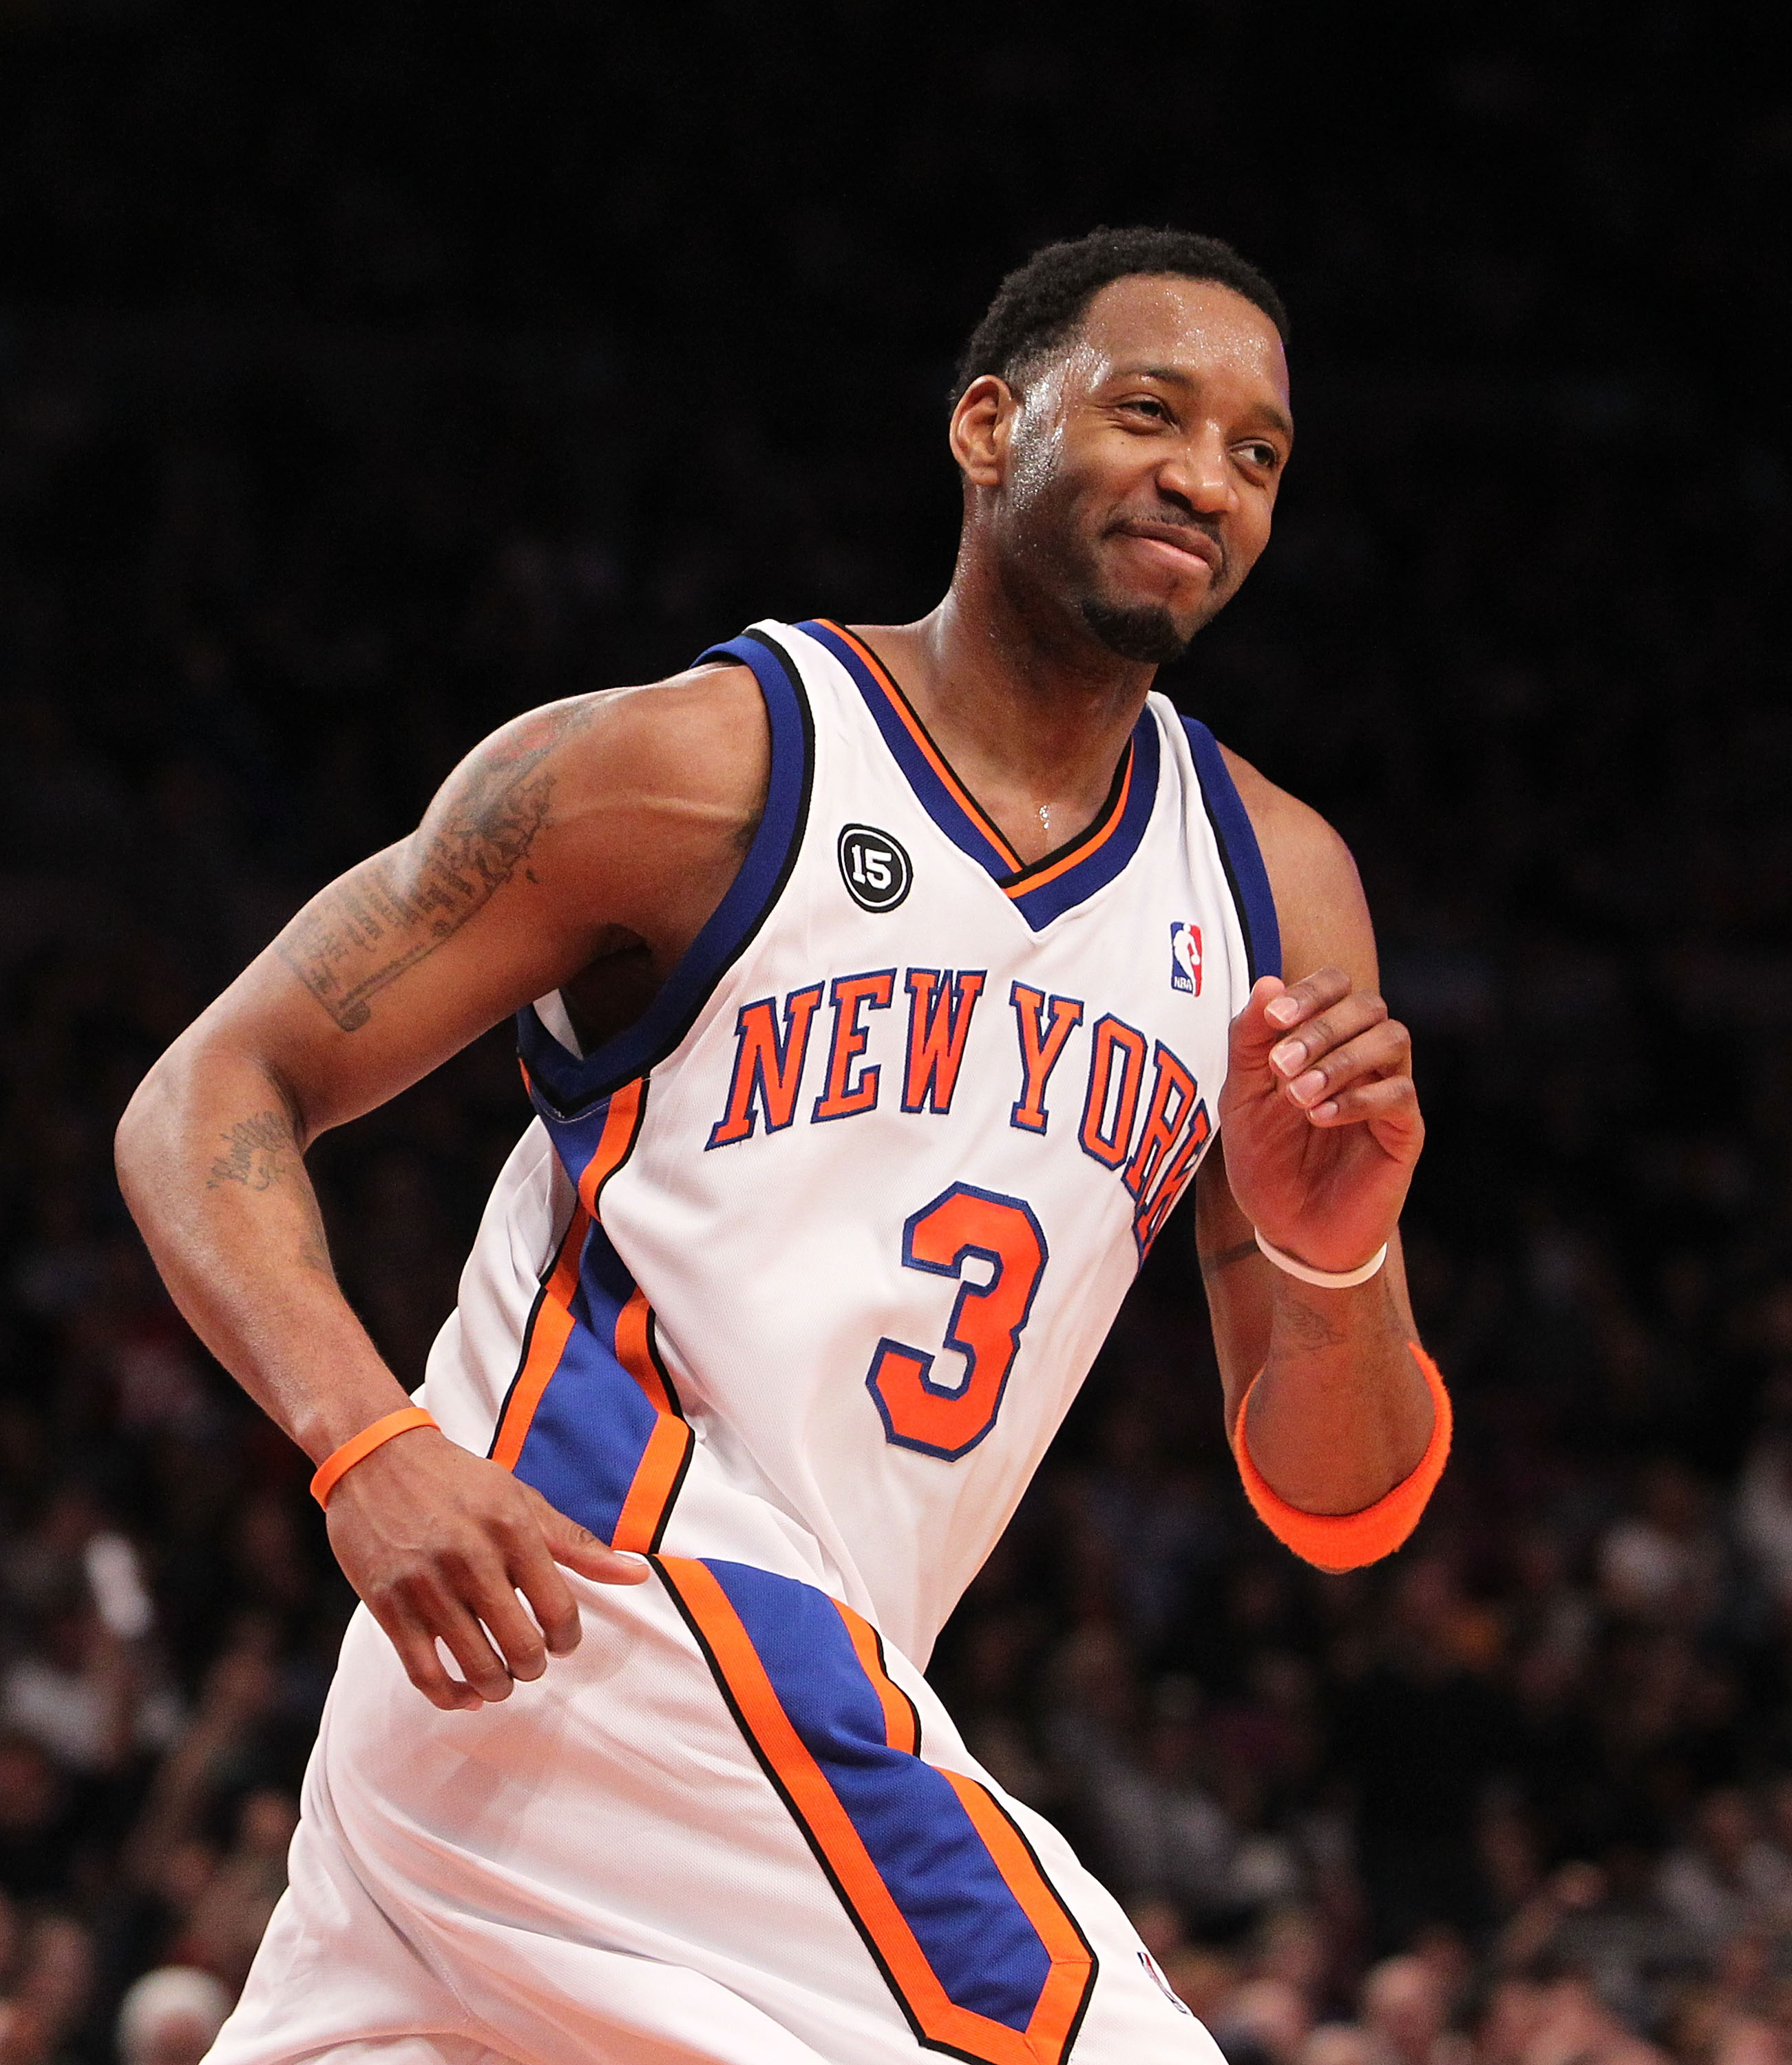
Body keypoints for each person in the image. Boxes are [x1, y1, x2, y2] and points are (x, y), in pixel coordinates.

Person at [116, 226, 1448, 2065]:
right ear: (987, 425)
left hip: (629, 1728)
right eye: (1151, 411)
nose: (1203, 476)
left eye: (1256, 454)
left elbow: (1340, 1505)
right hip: (611, 1595)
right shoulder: (698, 770)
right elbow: (207, 1094)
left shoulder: (1273, 888)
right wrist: (366, 1447)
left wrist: (1333, 1248)